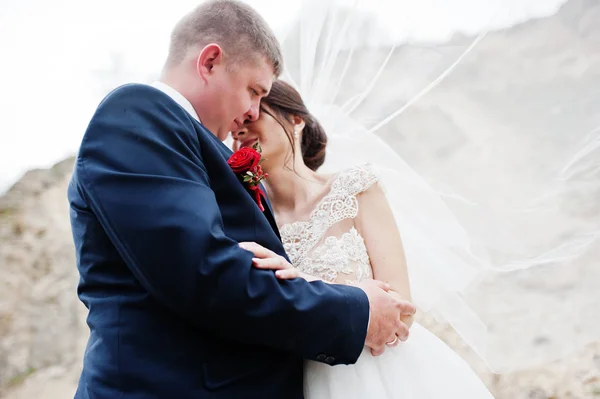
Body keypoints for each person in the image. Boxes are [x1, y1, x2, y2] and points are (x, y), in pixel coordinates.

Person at [67, 1, 415, 398]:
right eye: (253, 90)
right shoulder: (138, 117)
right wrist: (356, 310)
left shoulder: (188, 143)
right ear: (211, 61)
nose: (251, 112)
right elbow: (205, 272)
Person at [232, 79, 495, 398]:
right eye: (235, 124)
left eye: (253, 117)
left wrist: (300, 279)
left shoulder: (356, 189)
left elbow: (403, 312)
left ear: (296, 120)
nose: (240, 130)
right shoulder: (249, 217)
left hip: (384, 378)